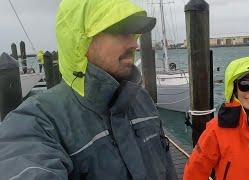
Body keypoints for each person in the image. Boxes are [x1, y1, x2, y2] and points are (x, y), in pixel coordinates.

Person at [0, 0, 177, 179]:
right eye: (122, 31)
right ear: (81, 41)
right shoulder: (37, 122)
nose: (134, 44)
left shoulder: (141, 99)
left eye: (133, 33)